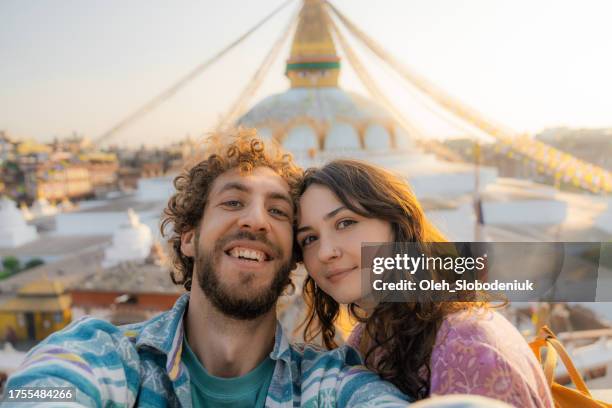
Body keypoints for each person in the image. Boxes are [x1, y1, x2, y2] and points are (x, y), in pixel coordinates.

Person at [4, 130, 408, 407]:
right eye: (233, 202)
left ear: (292, 257)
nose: (256, 220)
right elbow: (39, 392)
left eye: (278, 211)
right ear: (189, 237)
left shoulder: (329, 385)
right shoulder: (106, 357)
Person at [296, 159, 554, 408]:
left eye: (345, 223)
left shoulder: (465, 344)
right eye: (309, 238)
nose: (325, 252)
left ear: (396, 223)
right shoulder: (369, 336)